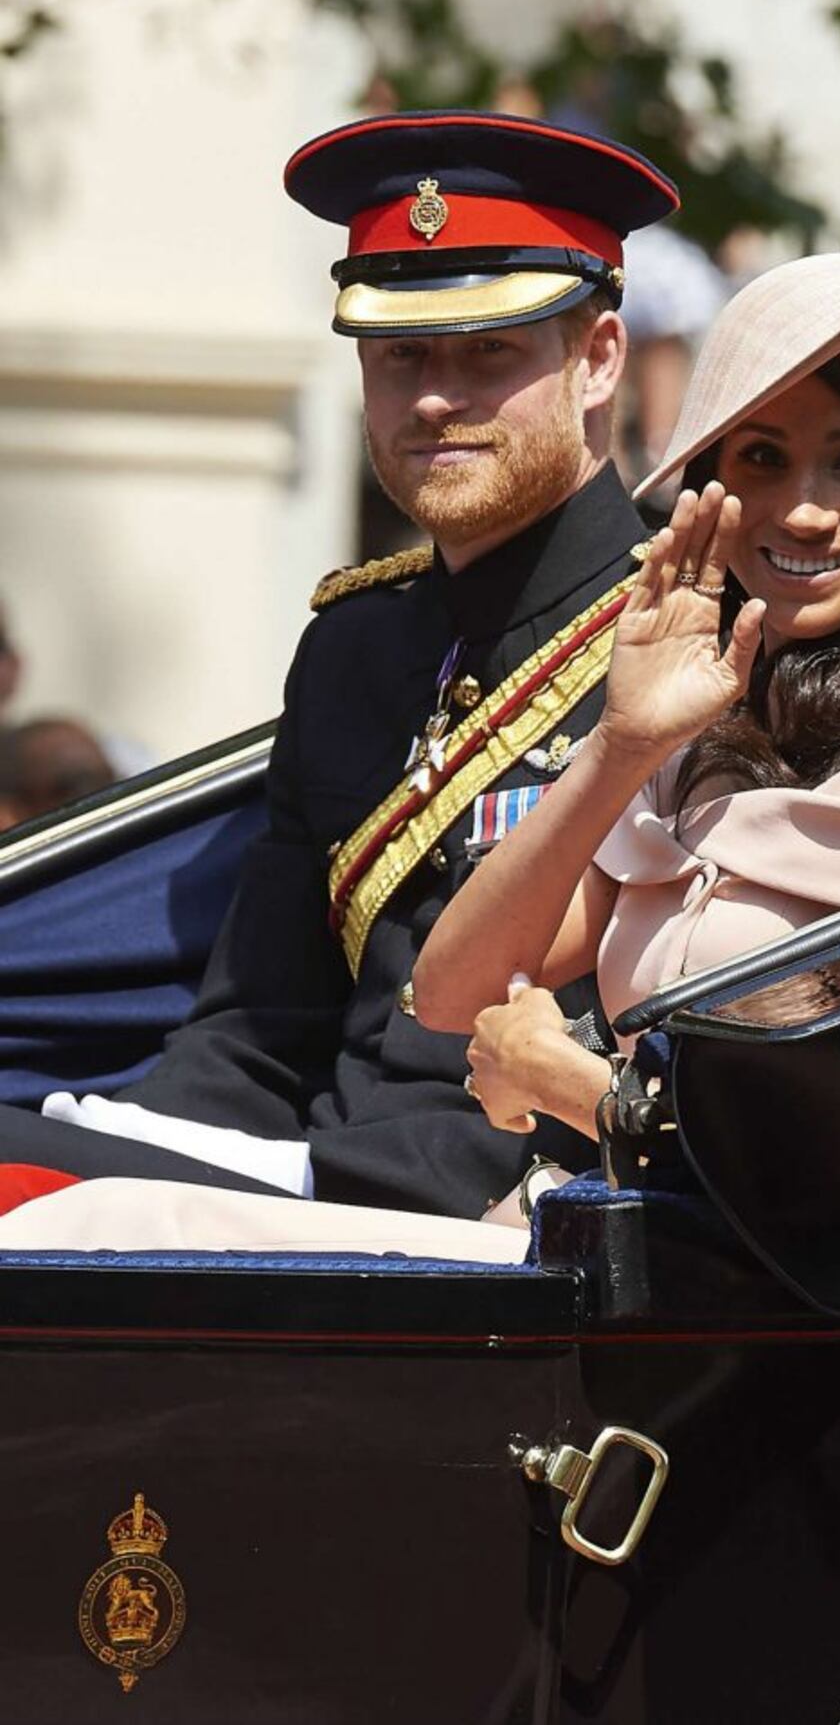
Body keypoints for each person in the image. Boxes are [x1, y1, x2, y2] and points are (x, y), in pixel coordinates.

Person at [0, 111, 679, 1223]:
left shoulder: (689, 632)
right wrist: (114, 1158)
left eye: (488, 352)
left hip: (521, 1208)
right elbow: (259, 1032)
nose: (433, 398)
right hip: (321, 1194)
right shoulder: (357, 644)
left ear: (598, 358)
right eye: (402, 352)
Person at [411, 151, 840, 1145]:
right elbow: (451, 991)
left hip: (749, 1290)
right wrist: (622, 744)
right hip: (585, 1249)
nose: (804, 512)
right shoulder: (709, 729)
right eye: (762, 459)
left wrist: (586, 1091)